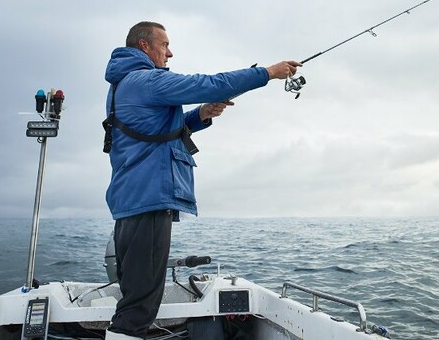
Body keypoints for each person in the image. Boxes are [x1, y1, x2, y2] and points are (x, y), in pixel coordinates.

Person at [103, 21, 300, 340]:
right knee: (138, 309)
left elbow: (157, 131)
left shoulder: (126, 84)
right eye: (164, 45)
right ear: (145, 47)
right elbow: (210, 83)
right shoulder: (146, 80)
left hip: (132, 200)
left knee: (136, 297)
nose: (170, 52)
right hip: (148, 197)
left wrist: (201, 115)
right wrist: (267, 72)